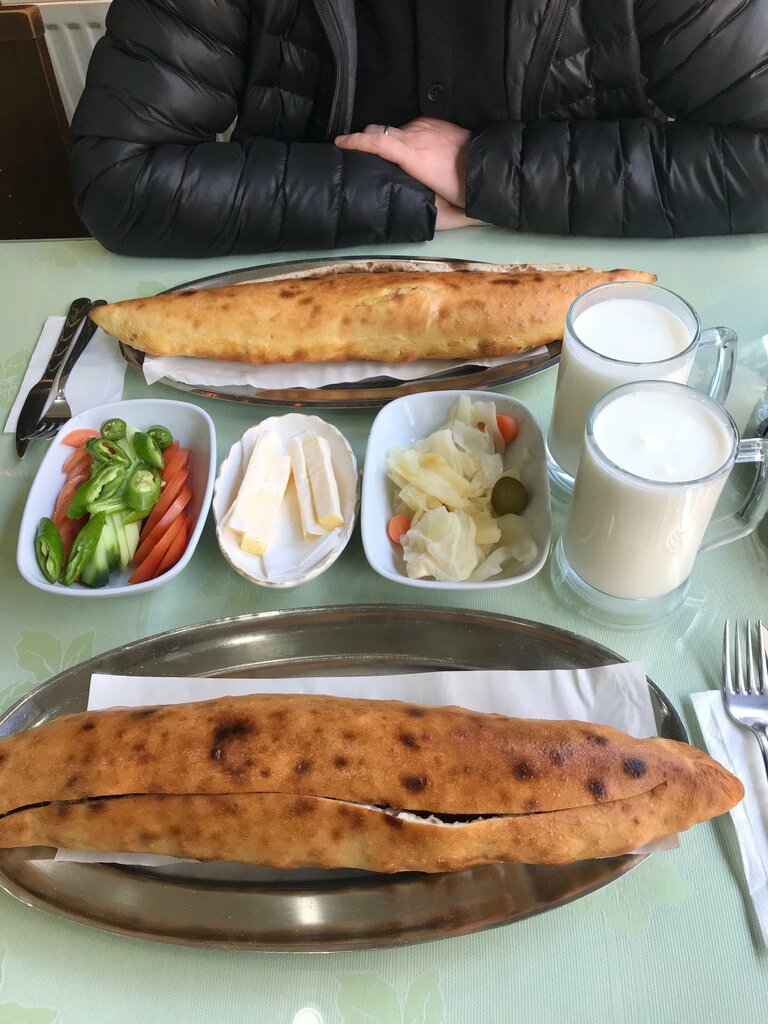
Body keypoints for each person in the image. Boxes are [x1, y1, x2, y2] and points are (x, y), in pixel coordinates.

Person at [70, 0, 768, 257]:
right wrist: (403, 192)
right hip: (312, 298)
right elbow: (119, 177)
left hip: (587, 313)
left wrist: (483, 172)